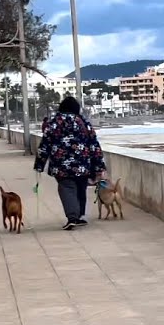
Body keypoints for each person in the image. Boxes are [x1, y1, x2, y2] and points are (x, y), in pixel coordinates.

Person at [36, 97, 105, 230]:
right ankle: (79, 216)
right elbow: (94, 145)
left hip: (61, 165)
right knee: (80, 188)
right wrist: (99, 166)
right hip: (83, 164)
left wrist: (40, 164)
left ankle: (72, 217)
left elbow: (45, 145)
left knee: (66, 188)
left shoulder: (54, 123)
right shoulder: (84, 123)